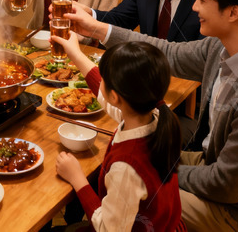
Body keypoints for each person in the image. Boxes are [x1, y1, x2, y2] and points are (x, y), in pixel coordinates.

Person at [66, 0, 238, 232]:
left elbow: (225, 186)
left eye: (202, 0)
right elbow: (168, 53)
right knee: (114, 172)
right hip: (212, 164)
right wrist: (97, 28)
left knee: (126, 188)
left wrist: (151, 171)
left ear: (233, 12)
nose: (193, 7)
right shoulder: (228, 43)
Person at [53, 36, 186, 232]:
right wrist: (75, 53)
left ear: (115, 96)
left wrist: (77, 179)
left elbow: (107, 229)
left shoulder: (126, 167)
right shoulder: (156, 116)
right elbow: (107, 97)